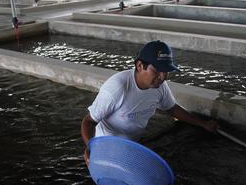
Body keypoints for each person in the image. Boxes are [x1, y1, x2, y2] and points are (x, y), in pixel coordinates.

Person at [81, 40, 218, 164]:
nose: (163, 76)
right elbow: (89, 121)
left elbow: (172, 109)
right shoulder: (118, 88)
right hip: (108, 147)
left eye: (166, 71)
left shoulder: (159, 86)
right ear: (140, 66)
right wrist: (92, 148)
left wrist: (202, 124)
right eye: (157, 70)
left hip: (135, 144)